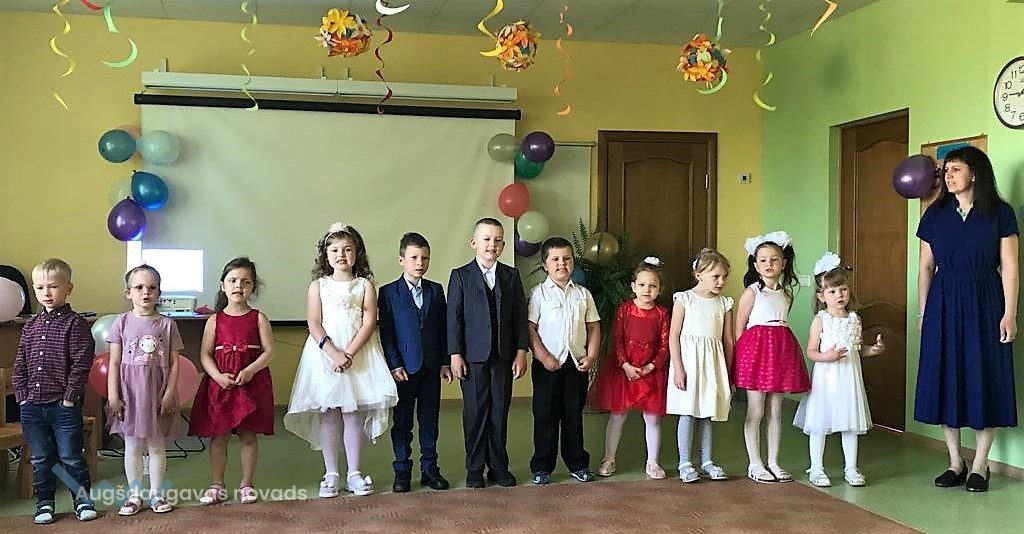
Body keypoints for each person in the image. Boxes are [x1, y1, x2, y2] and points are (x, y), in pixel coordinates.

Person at [915, 146, 1019, 493]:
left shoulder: (1000, 213)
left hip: (986, 301)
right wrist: (924, 312)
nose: (948, 175)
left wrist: (1009, 313)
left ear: (975, 173)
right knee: (947, 377)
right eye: (946, 170)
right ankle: (955, 462)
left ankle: (980, 465)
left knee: (983, 376)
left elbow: (1010, 268)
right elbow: (925, 268)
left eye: (955, 169)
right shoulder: (935, 214)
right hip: (943, 302)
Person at [284, 223, 399, 497]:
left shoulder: (364, 286)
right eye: (334, 250)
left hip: (358, 354)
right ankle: (331, 473)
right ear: (326, 255)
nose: (341, 255)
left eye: (347, 249)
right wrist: (333, 353)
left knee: (352, 413)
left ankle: (354, 473)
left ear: (357, 253)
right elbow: (314, 322)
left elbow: (369, 322)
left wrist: (349, 353)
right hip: (324, 355)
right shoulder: (318, 286)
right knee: (330, 413)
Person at [13, 259, 97, 524]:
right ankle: (45, 504)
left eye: (53, 286)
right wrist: (22, 397)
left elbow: (81, 364)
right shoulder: (30, 326)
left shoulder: (76, 324)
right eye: (40, 288)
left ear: (68, 288)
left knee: (71, 457)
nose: (46, 293)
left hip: (63, 407)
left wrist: (70, 398)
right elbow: (20, 363)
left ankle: (82, 501)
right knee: (40, 458)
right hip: (32, 407)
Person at [447, 217, 529, 488]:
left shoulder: (511, 276)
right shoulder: (460, 276)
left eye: (497, 240)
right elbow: (454, 318)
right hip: (472, 358)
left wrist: (521, 351)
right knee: (475, 412)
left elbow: (520, 316)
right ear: (474, 243)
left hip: (503, 356)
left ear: (503, 245)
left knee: (499, 412)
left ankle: (498, 466)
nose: (491, 245)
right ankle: (474, 467)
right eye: (486, 239)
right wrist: (455, 354)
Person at [793, 251, 884, 487]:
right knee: (820, 423)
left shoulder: (854, 319)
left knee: (850, 422)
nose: (839, 295)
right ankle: (816, 468)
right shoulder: (820, 320)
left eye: (843, 289)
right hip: (827, 379)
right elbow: (811, 351)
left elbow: (856, 349)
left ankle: (851, 468)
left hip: (849, 379)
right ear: (821, 296)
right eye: (832, 291)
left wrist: (872, 350)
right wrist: (828, 356)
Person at [189, 257, 275, 504]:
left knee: (248, 435)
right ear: (222, 286)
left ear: (253, 287)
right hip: (221, 386)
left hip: (251, 384)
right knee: (219, 436)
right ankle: (217, 484)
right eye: (233, 280)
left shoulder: (258, 318)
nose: (239, 286)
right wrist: (217, 376)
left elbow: (269, 351)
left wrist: (250, 370)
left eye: (245, 282)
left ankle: (247, 484)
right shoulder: (214, 320)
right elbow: (205, 354)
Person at [377, 232, 453, 493]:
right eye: (414, 257)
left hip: (431, 367)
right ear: (401, 260)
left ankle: (430, 469)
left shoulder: (435, 290)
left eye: (425, 258)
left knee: (430, 421)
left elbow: (443, 329)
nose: (420, 263)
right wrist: (394, 364)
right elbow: (387, 333)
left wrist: (445, 361)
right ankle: (402, 470)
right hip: (404, 370)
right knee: (402, 422)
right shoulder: (388, 293)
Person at [107, 265, 185, 515]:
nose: (145, 292)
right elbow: (114, 362)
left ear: (159, 293)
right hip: (130, 394)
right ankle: (134, 495)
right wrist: (113, 396)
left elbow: (174, 364)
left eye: (152, 288)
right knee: (132, 446)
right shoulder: (121, 322)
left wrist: (169, 393)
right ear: (128, 292)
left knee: (156, 445)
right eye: (139, 287)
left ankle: (156, 495)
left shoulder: (167, 325)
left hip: (157, 392)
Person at [733, 231, 810, 484]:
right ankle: (755, 463)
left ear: (783, 263)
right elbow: (740, 328)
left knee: (775, 411)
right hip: (756, 355)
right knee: (755, 410)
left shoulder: (787, 294)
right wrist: (742, 361)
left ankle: (774, 462)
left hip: (781, 354)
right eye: (763, 260)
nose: (769, 264)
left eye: (774, 259)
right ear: (756, 265)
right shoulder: (752, 293)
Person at [588, 257, 671, 480]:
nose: (647, 290)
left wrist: (651, 366)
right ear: (633, 286)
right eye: (642, 285)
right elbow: (617, 338)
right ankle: (609, 458)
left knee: (652, 418)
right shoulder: (625, 309)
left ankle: (652, 461)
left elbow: (665, 345)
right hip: (624, 370)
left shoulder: (662, 313)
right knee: (617, 415)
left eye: (652, 286)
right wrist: (625, 364)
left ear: (660, 289)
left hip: (651, 372)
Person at [527, 237, 600, 485]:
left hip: (576, 364)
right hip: (547, 365)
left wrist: (591, 355)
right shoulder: (538, 294)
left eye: (567, 259)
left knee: (573, 416)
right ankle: (542, 466)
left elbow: (593, 327)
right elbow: (530, 329)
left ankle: (577, 463)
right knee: (545, 416)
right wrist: (544, 357)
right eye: (555, 259)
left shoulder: (583, 294)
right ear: (545, 264)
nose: (562, 264)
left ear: (573, 262)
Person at [666, 248, 734, 483]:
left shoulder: (724, 304)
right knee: (688, 411)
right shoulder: (684, 299)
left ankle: (707, 461)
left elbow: (728, 340)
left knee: (707, 411)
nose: (721, 281)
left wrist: (727, 371)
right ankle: (685, 462)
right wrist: (678, 368)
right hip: (689, 363)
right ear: (698, 275)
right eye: (716, 276)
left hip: (712, 364)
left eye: (724, 276)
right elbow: (673, 335)